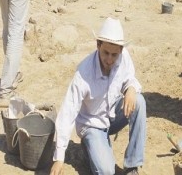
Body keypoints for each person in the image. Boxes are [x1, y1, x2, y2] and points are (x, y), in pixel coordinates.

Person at [50, 17, 146, 175]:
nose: (109, 59)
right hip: (92, 124)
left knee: (139, 102)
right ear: (98, 45)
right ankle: (90, 146)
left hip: (112, 116)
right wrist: (59, 158)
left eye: (114, 55)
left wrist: (131, 88)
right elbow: (67, 113)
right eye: (106, 53)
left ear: (121, 50)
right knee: (106, 171)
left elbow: (130, 77)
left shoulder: (123, 57)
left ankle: (132, 166)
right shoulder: (83, 73)